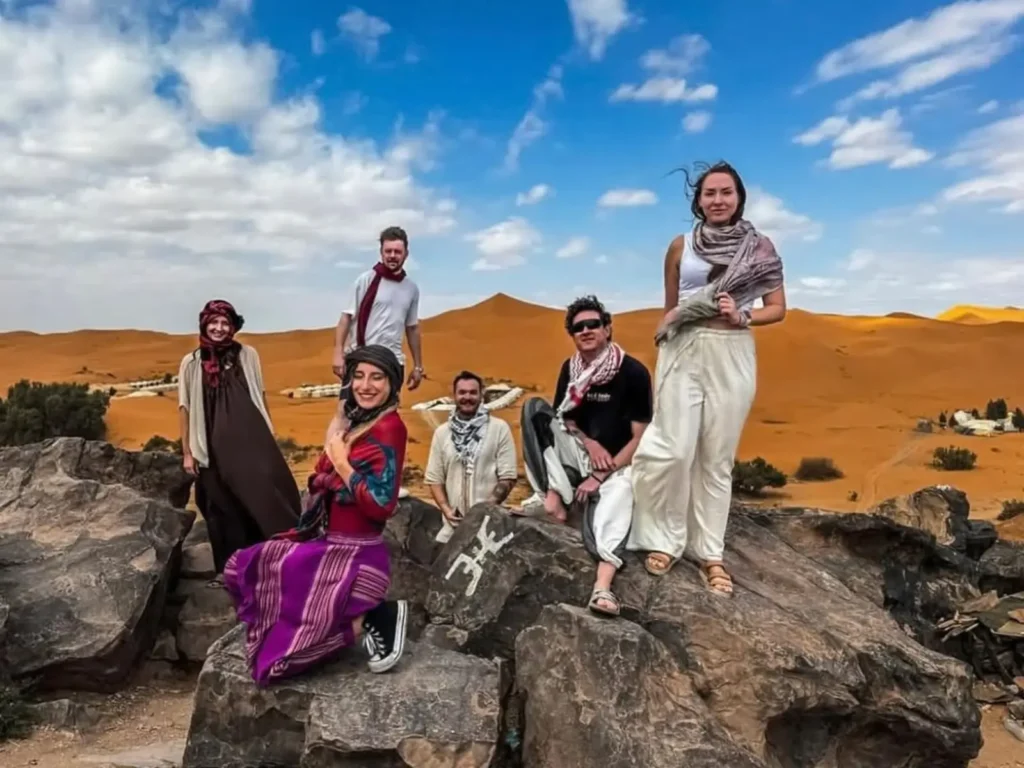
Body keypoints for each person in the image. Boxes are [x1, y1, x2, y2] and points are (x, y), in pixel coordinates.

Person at [628, 161, 787, 596]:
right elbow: (671, 307)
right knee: (674, 450)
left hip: (732, 351)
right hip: (683, 349)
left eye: (726, 193)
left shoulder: (760, 248)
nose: (718, 200)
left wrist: (745, 314)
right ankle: (664, 537)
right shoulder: (681, 246)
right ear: (698, 201)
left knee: (716, 457)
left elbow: (778, 307)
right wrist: (666, 339)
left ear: (739, 198)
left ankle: (710, 553)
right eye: (710, 193)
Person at [223, 345, 410, 686]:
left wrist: (340, 461)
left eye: (377, 378)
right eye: (359, 376)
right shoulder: (360, 422)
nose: (365, 385)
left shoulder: (389, 428)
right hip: (327, 543)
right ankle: (368, 616)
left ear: (392, 384)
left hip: (355, 555)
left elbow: (380, 505)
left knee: (278, 662)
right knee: (243, 567)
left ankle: (375, 615)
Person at [519, 296, 652, 617]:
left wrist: (599, 475)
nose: (586, 330)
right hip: (583, 453)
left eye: (593, 324)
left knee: (620, 496)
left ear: (607, 329)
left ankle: (603, 586)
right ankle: (555, 497)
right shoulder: (571, 369)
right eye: (579, 327)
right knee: (536, 413)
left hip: (620, 461)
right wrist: (589, 443)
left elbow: (640, 437)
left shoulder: (633, 372)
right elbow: (565, 420)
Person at [177, 299, 300, 587]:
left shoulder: (247, 355)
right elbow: (184, 407)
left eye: (225, 323)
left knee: (263, 493)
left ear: (233, 327)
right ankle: (230, 569)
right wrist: (187, 452)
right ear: (204, 324)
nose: (219, 328)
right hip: (209, 444)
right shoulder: (191, 362)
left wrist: (269, 432)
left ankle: (279, 557)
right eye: (214, 322)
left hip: (250, 439)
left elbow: (260, 393)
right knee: (219, 502)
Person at [425, 371, 518, 543]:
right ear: (454, 395)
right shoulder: (442, 433)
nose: (467, 397)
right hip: (452, 529)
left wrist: (484, 511)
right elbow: (434, 478)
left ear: (481, 395)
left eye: (473, 392)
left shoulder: (499, 429)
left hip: (489, 530)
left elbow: (508, 477)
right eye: (462, 392)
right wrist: (446, 509)